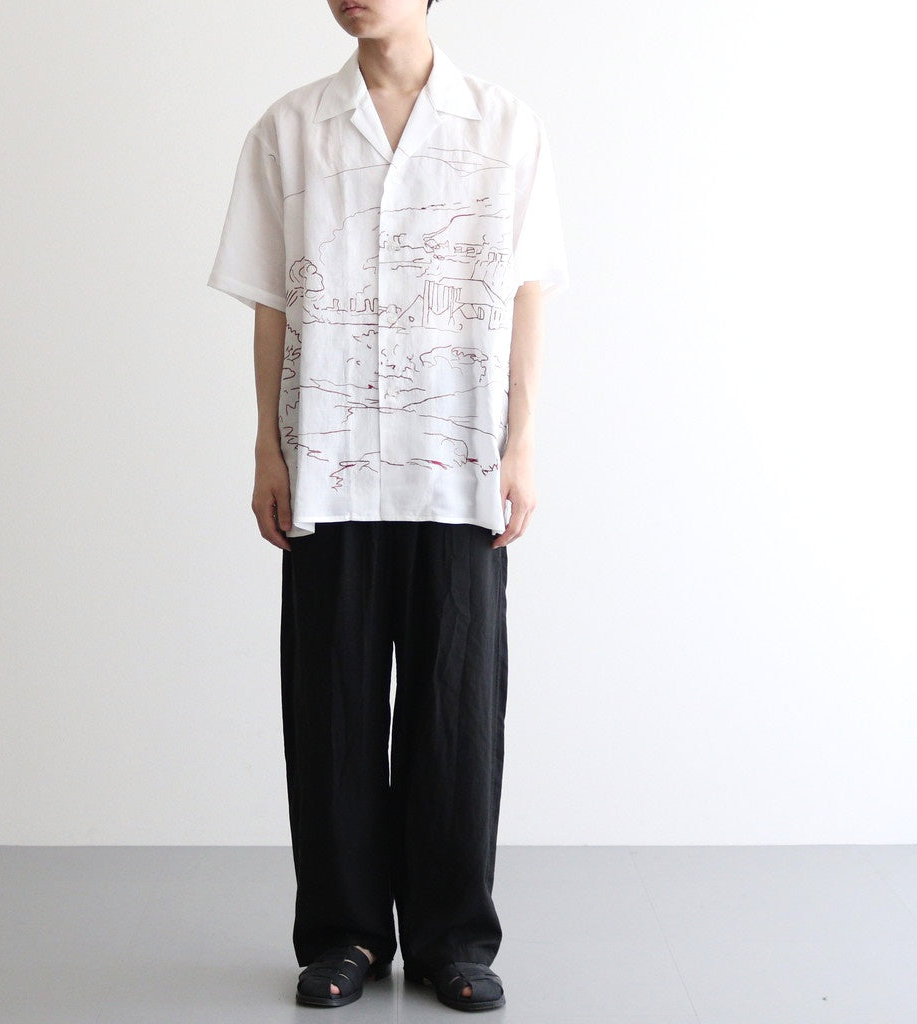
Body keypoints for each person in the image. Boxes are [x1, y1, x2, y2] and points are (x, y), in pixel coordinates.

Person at [207, 0, 568, 1011]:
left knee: (457, 711)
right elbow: (270, 301)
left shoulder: (505, 125)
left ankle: (454, 938)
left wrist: (521, 441)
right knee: (331, 706)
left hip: (458, 466)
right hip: (331, 465)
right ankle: (345, 933)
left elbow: (527, 291)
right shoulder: (289, 130)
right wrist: (268, 446)